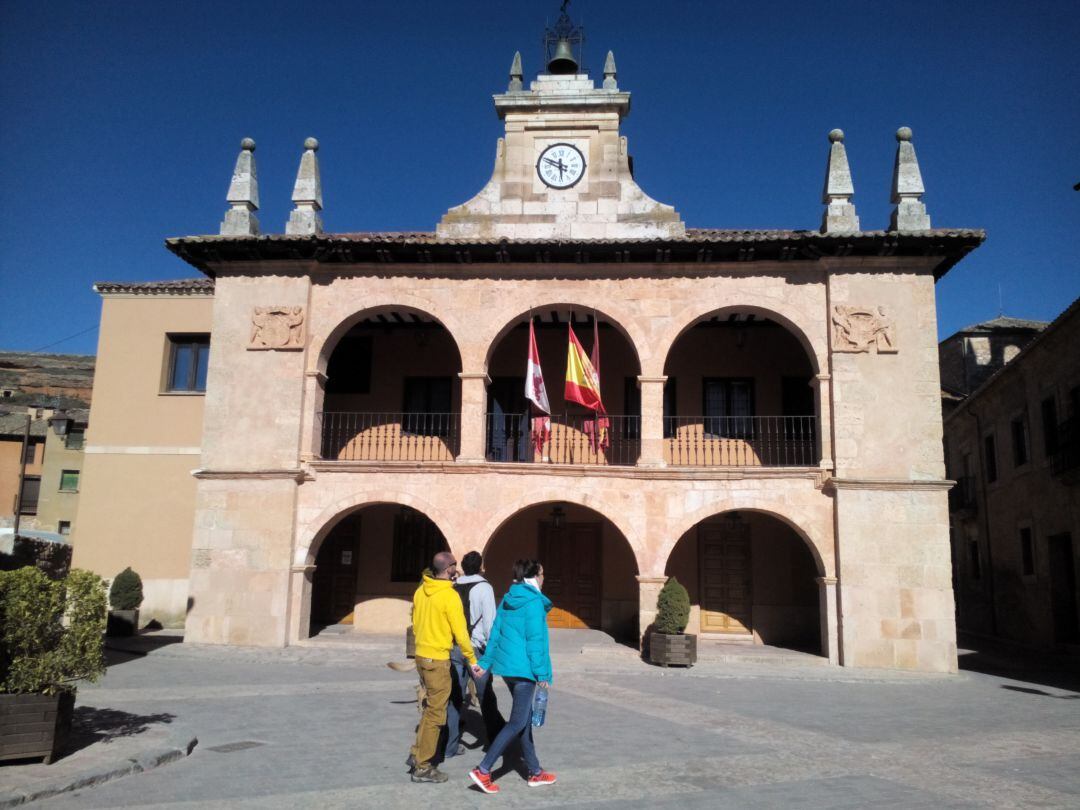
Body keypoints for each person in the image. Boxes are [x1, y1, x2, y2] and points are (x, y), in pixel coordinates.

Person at [468, 559, 557, 794]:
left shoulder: (508, 599)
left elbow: (495, 634)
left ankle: (535, 772)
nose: (544, 577)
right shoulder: (534, 603)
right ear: (534, 576)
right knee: (517, 722)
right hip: (525, 671)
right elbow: (535, 641)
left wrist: (485, 662)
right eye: (542, 572)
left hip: (508, 669)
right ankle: (484, 770)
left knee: (524, 720)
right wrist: (542, 673)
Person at [408, 551, 477, 784]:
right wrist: (472, 659)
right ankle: (423, 767)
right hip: (437, 659)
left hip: (421, 655)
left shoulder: (420, 591)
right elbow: (461, 632)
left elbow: (415, 623)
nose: (457, 571)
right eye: (455, 567)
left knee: (429, 709)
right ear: (449, 569)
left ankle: (416, 753)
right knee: (437, 714)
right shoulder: (449, 596)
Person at [445, 551, 505, 758]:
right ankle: (496, 740)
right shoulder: (484, 587)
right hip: (477, 649)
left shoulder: (453, 586)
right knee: (485, 694)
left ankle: (449, 744)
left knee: (454, 697)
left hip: (455, 647)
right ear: (481, 566)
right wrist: (493, 649)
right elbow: (490, 621)